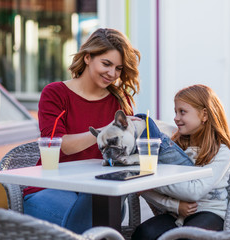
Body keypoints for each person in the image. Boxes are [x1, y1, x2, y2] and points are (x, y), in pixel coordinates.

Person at [23, 28, 141, 234]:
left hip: (99, 189)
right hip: (52, 188)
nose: (112, 74)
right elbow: (60, 145)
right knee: (96, 216)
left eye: (119, 68)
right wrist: (106, 131)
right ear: (87, 57)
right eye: (106, 64)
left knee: (102, 201)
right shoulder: (56, 93)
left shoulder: (121, 101)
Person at [131, 84, 230, 240]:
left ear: (204, 115)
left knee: (186, 237)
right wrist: (174, 206)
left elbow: (194, 191)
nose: (176, 118)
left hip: (210, 212)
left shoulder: (221, 151)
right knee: (144, 233)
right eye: (176, 112)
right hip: (175, 213)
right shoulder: (173, 149)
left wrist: (152, 179)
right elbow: (142, 189)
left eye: (182, 112)